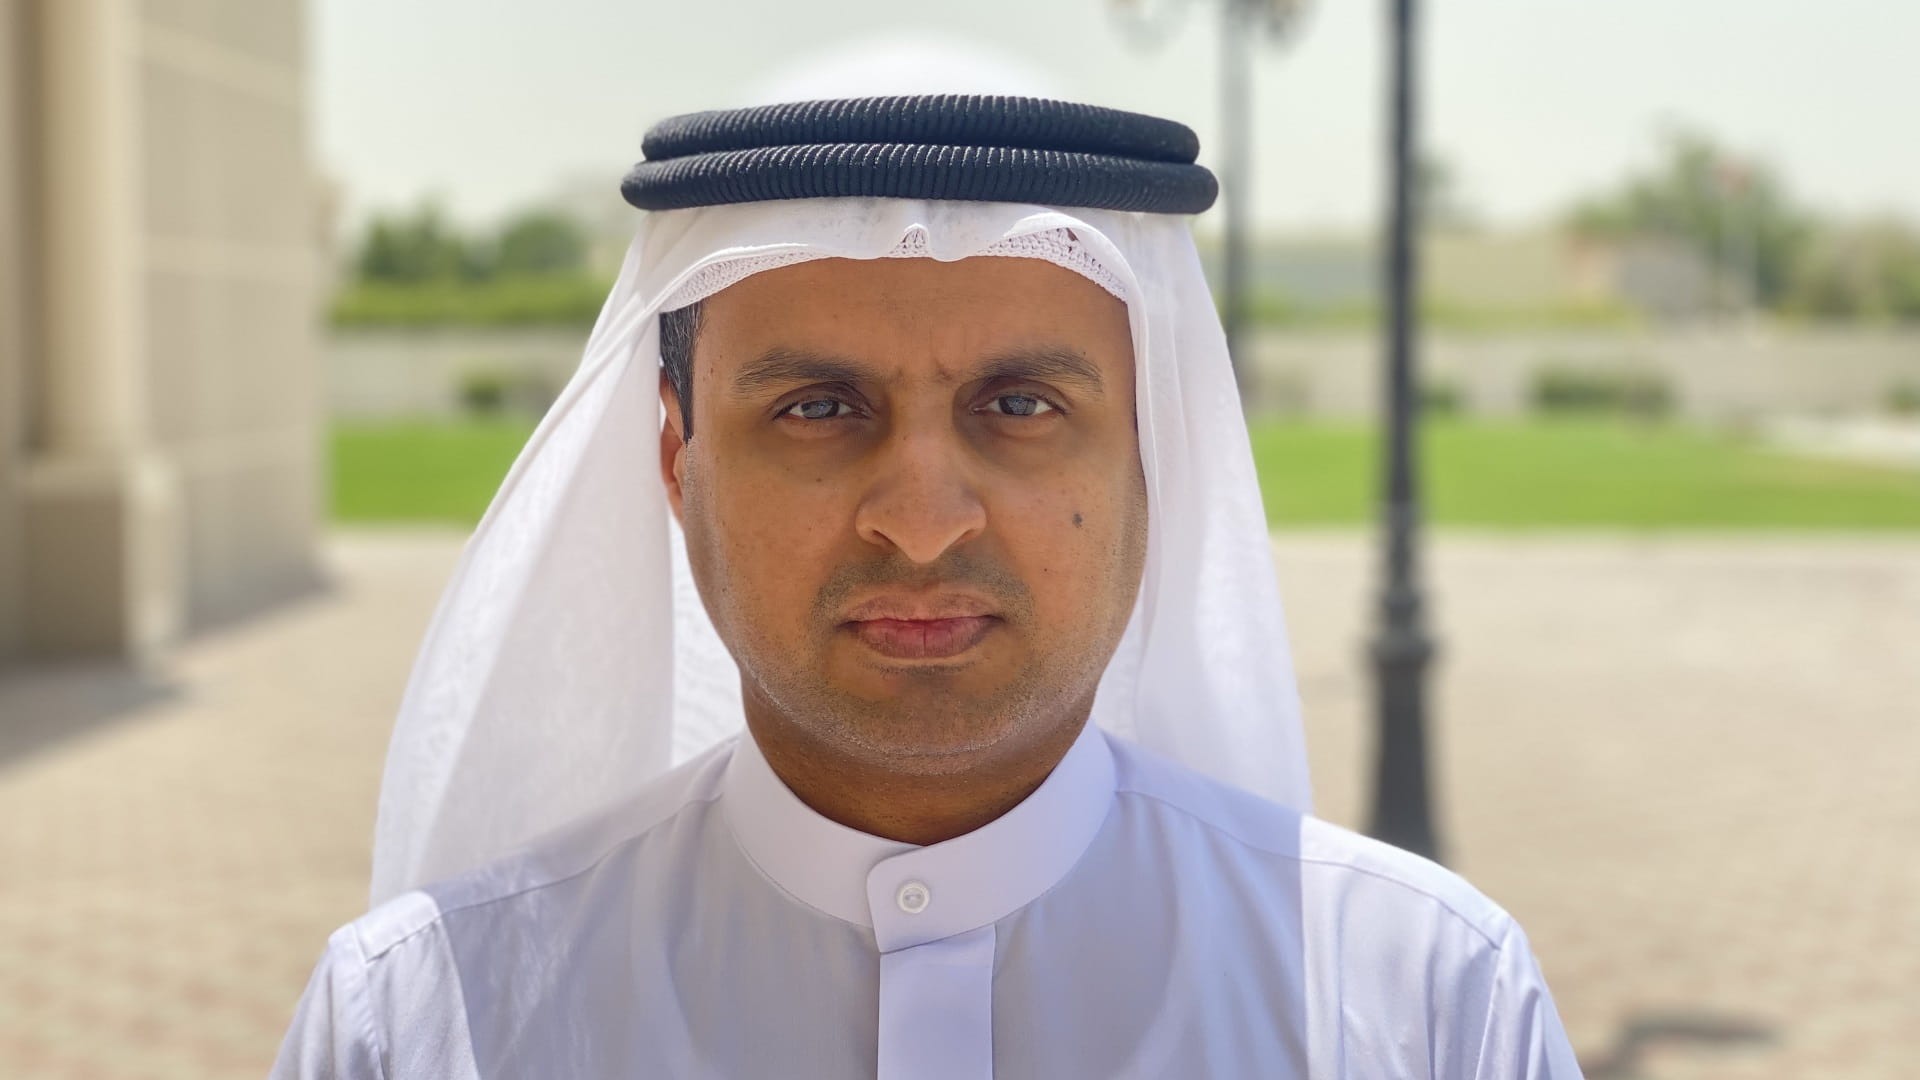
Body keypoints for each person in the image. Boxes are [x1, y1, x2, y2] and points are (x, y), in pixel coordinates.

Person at [273, 95, 1583, 1079]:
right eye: (816, 407)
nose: (919, 521)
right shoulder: (421, 1023)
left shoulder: (1428, 1008)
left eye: (1019, 404)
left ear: (1150, 453)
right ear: (677, 460)